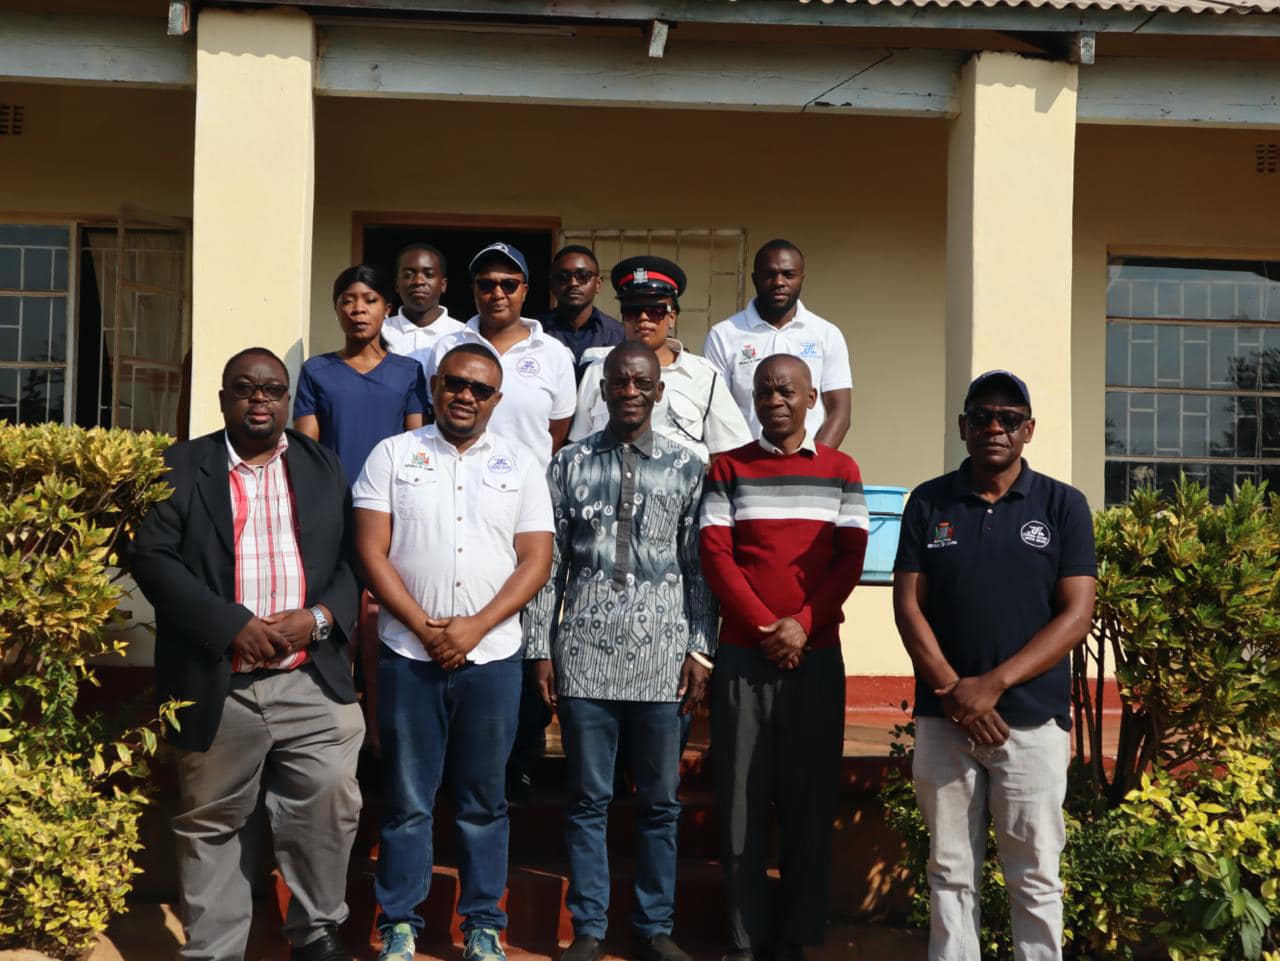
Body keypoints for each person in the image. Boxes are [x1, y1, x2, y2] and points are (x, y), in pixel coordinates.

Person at [131, 348, 363, 961]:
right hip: (217, 680)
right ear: (223, 399)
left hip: (308, 678)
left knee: (329, 798)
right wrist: (230, 625)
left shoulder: (321, 465)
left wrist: (319, 619)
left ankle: (316, 933)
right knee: (212, 821)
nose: (259, 399)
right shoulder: (180, 467)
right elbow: (151, 557)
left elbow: (351, 560)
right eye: (244, 388)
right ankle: (215, 951)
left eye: (273, 389)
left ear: (287, 399)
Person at [352, 342, 554, 961]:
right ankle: (400, 923)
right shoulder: (393, 455)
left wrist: (474, 628)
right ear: (436, 386)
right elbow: (370, 551)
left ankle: (484, 924)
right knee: (408, 801)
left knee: (484, 802)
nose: (466, 396)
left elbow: (536, 560)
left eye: (480, 389)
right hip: (408, 658)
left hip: (491, 660)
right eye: (456, 384)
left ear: (496, 400)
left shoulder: (522, 464)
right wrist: (424, 628)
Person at [892, 370, 1097, 961]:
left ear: (1028, 430)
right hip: (945, 719)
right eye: (982, 417)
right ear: (964, 426)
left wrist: (992, 686)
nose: (995, 428)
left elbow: (1076, 615)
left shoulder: (1063, 505)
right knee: (949, 871)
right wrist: (956, 691)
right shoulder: (929, 501)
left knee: (1035, 874)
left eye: (1009, 419)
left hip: (1031, 723)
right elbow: (908, 606)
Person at [525, 342, 717, 961]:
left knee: (659, 803)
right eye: (619, 381)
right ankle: (590, 926)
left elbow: (699, 569)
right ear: (603, 389)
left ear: (659, 391)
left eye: (641, 382)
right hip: (584, 655)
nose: (630, 391)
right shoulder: (569, 464)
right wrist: (540, 647)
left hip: (664, 661)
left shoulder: (689, 467)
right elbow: (549, 564)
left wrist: (701, 650)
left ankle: (655, 926)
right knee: (588, 800)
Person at [699, 354, 870, 961]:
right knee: (740, 803)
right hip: (743, 659)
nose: (775, 400)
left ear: (812, 398)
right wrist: (768, 628)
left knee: (808, 799)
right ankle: (744, 939)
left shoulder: (842, 470)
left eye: (787, 391)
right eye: (765, 391)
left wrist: (802, 625)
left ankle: (794, 937)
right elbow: (716, 555)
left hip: (816, 658)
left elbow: (850, 558)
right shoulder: (728, 468)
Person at [570, 256, 752, 464]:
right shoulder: (598, 371)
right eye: (632, 311)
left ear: (672, 317)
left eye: (655, 311)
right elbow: (578, 447)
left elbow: (728, 452)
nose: (643, 318)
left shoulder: (703, 375)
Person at [416, 242, 577, 466]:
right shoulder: (448, 346)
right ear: (473, 289)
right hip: (455, 477)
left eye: (509, 285)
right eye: (486, 285)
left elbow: (557, 429)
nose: (497, 294)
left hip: (526, 482)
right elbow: (433, 414)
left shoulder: (554, 352)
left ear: (524, 291)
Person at [703, 239, 852, 448]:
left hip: (809, 462)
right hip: (746, 462)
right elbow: (715, 412)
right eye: (769, 275)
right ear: (755, 279)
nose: (779, 282)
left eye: (788, 275)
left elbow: (840, 413)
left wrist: (812, 462)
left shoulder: (826, 334)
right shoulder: (723, 335)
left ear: (801, 278)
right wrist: (739, 462)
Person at [294, 264, 429, 484]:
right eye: (348, 301)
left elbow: (416, 446)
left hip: (390, 494)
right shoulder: (315, 370)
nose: (359, 309)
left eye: (370, 300)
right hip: (334, 495)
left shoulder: (409, 372)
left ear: (387, 309)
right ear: (337, 309)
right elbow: (307, 452)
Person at [538, 244, 624, 380]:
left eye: (583, 276)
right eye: (563, 276)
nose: (573, 283)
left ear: (598, 284)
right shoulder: (534, 332)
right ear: (552, 283)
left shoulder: (618, 335)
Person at [381, 242, 466, 356]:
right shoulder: (380, 331)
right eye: (408, 275)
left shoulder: (463, 335)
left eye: (429, 275)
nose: (418, 281)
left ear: (443, 285)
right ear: (397, 285)